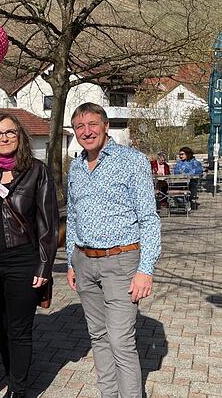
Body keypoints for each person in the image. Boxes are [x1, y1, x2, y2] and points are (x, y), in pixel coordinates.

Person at [65, 102, 161, 398]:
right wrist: (71, 260)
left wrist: (146, 270)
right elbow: (73, 215)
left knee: (120, 340)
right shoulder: (76, 166)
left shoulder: (131, 160)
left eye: (92, 124)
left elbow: (149, 218)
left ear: (106, 126)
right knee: (99, 338)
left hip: (121, 261)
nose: (86, 131)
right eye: (79, 127)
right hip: (84, 262)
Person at [0, 113, 58, 398]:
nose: (4, 138)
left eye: (10, 132)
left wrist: (44, 266)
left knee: (19, 328)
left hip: (23, 260)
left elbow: (48, 223)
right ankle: (12, 376)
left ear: (20, 136)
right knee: (1, 325)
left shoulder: (36, 170)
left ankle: (18, 391)